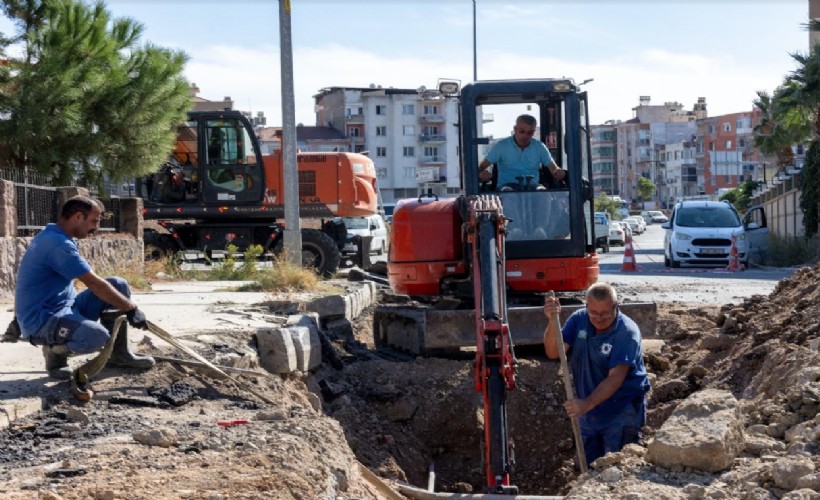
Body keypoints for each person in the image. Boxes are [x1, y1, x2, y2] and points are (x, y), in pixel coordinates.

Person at [15, 195, 155, 380]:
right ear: (78, 217)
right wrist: (131, 308)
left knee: (118, 284)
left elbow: (98, 284)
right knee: (96, 337)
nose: (96, 227)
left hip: (66, 308)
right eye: (94, 221)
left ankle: (118, 355)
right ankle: (55, 352)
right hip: (43, 320)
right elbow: (94, 283)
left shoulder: (56, 235)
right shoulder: (57, 244)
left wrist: (127, 307)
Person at [543, 283, 650, 467]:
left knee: (618, 469)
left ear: (616, 307)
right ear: (586, 307)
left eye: (604, 313)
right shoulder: (579, 319)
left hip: (622, 411)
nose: (598, 318)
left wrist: (586, 403)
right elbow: (553, 352)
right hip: (589, 411)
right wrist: (552, 321)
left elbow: (615, 377)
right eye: (593, 312)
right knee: (588, 469)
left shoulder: (626, 333)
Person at [478, 114, 566, 191]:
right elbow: (481, 167)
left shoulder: (539, 147)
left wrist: (558, 171)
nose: (525, 136)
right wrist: (482, 173)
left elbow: (553, 168)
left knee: (543, 193)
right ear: (515, 129)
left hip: (533, 187)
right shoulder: (501, 146)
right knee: (508, 194)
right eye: (522, 131)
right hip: (507, 187)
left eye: (529, 133)